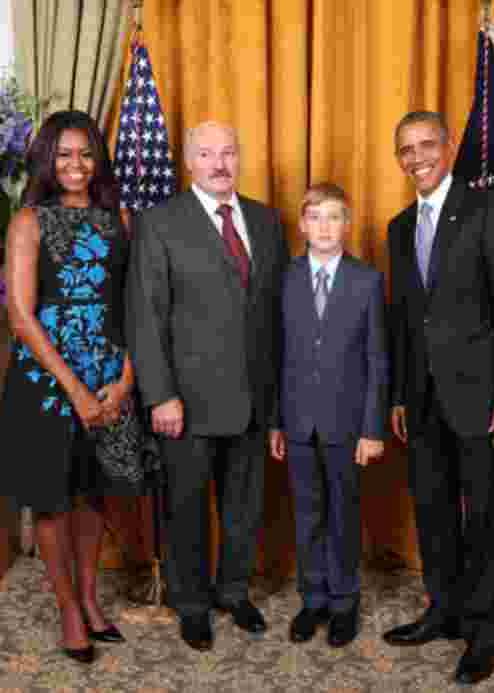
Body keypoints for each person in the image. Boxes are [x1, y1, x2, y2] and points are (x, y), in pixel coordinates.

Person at [0, 110, 151, 664]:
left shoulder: (120, 219)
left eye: (85, 154)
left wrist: (124, 381)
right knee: (54, 501)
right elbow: (20, 315)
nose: (75, 165)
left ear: (97, 159)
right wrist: (75, 390)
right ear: (47, 162)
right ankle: (68, 609)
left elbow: (136, 308)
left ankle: (88, 596)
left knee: (94, 495)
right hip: (49, 380)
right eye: (63, 155)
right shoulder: (28, 221)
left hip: (109, 376)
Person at [383, 111, 494, 685]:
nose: (416, 157)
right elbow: (404, 321)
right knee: (434, 512)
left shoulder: (488, 209)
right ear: (397, 158)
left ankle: (484, 631)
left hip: (483, 398)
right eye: (406, 149)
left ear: (447, 148)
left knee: (486, 519)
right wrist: (399, 394)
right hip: (421, 401)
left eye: (426, 145)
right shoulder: (399, 227)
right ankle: (443, 611)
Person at [126, 121, 289, 651]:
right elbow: (145, 317)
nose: (219, 164)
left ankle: (234, 591)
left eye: (228, 152)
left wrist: (279, 403)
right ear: (189, 163)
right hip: (186, 402)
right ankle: (191, 603)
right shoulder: (160, 223)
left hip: (253, 399)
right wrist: (159, 394)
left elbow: (276, 317)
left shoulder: (267, 222)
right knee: (187, 508)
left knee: (244, 506)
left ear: (240, 158)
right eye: (206, 154)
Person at [269, 183, 388, 648]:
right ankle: (312, 597)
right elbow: (276, 356)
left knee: (342, 512)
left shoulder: (367, 280)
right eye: (315, 217)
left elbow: (379, 359)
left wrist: (372, 427)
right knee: (306, 512)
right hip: (298, 421)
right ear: (301, 225)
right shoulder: (286, 278)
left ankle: (344, 601)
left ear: (347, 223)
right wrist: (277, 420)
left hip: (347, 422)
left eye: (334, 217)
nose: (324, 227)